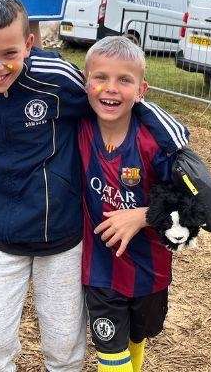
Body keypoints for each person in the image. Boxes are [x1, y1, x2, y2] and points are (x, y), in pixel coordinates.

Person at [0, 0, 89, 372]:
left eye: (9, 54)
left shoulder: (60, 78)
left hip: (62, 235)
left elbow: (116, 104)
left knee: (64, 347)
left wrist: (174, 146)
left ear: (29, 44)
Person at [79, 36, 189, 372]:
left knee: (137, 337)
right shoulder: (77, 125)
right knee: (110, 352)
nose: (110, 88)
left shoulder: (156, 142)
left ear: (141, 90)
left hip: (149, 269)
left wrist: (143, 216)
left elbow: (199, 209)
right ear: (86, 83)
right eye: (100, 77)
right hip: (99, 268)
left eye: (124, 80)